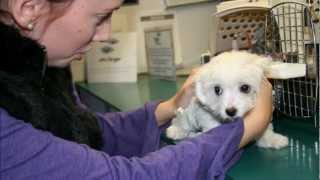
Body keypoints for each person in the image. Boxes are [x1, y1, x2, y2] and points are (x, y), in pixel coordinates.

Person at [0, 0, 273, 179]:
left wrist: (168, 108)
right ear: (29, 8)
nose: (106, 35)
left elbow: (83, 132)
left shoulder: (39, 70)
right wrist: (246, 128)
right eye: (100, 17)